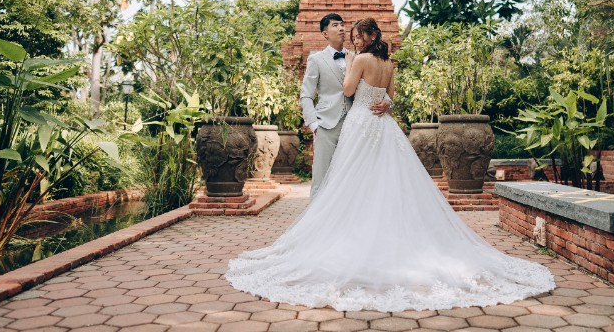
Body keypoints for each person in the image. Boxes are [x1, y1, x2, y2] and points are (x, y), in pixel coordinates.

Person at [226, 18, 555, 311]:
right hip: (381, 127)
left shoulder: (363, 58)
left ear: (368, 36)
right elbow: (390, 98)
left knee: (351, 181)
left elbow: (348, 90)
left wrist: (355, 65)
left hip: (359, 124)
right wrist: (382, 102)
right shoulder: (388, 63)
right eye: (348, 34)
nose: (352, 39)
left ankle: (348, 237)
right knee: (379, 181)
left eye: (357, 34)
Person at [298, 13, 391, 198]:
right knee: (321, 178)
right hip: (326, 125)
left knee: (352, 180)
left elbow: (377, 87)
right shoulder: (316, 59)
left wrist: (388, 102)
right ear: (325, 33)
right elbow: (306, 95)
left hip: (355, 126)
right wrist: (314, 124)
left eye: (342, 24)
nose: (341, 28)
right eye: (334, 25)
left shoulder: (359, 56)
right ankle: (316, 224)